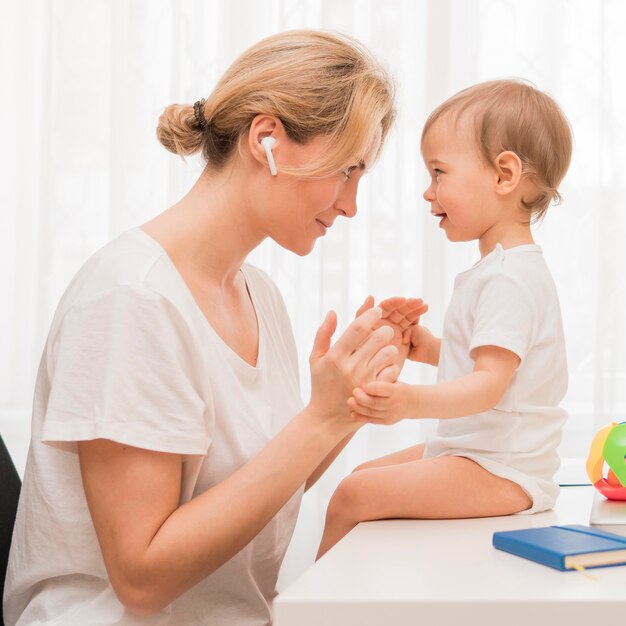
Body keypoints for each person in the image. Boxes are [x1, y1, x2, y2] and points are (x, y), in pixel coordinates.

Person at [3, 30, 427, 626]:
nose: (352, 204)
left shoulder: (259, 296)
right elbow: (142, 578)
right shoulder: (131, 301)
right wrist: (318, 419)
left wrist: (349, 404)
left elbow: (256, 492)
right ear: (267, 139)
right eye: (348, 170)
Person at [317, 79, 573, 558]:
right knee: (359, 479)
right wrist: (425, 347)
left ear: (504, 175)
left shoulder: (509, 278)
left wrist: (409, 402)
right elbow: (491, 367)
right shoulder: (499, 270)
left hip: (504, 469)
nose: (427, 192)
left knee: (353, 495)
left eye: (438, 173)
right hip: (478, 457)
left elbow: (489, 386)